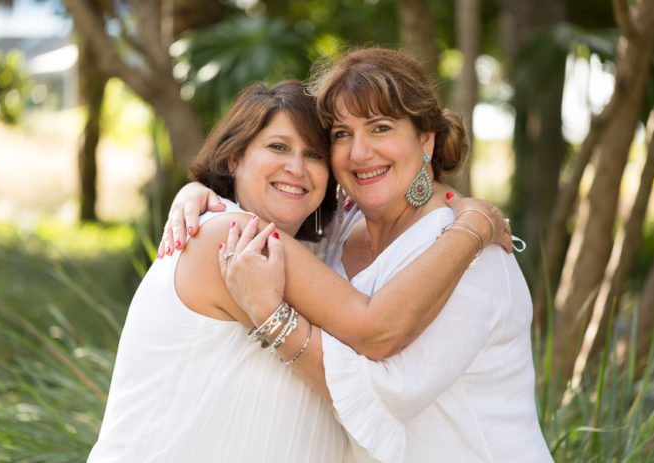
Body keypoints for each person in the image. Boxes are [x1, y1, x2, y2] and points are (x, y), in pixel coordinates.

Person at [89, 79, 509, 462]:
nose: (297, 167)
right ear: (234, 157)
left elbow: (393, 188)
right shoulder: (234, 239)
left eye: (314, 154)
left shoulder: (317, 248)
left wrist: (455, 199)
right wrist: (473, 226)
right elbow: (372, 328)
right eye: (277, 147)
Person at [164, 48, 552, 462]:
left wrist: (270, 313)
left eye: (380, 128)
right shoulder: (340, 227)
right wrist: (207, 194)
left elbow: (390, 393)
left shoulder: (473, 256)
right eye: (341, 135)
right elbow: (272, 195)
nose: (359, 153)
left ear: (426, 139)